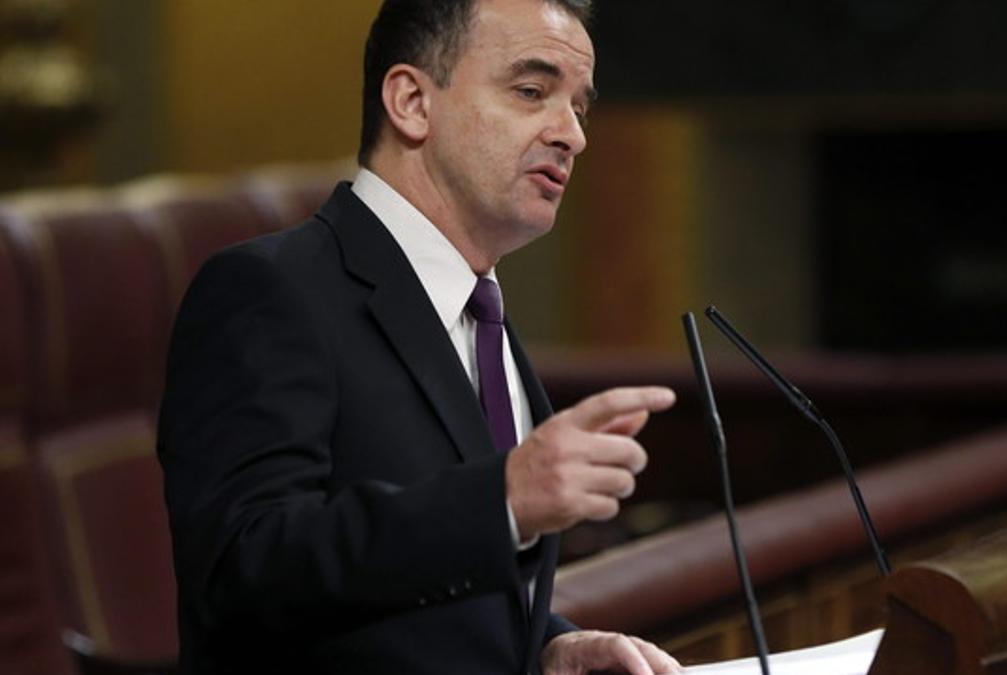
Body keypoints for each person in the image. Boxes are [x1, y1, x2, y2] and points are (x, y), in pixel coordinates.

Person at [156, 0, 683, 673]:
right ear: (411, 101)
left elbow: (430, 588)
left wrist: (545, 642)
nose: (573, 134)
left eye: (579, 106)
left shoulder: (477, 311)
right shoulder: (270, 291)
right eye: (532, 91)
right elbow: (242, 571)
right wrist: (502, 499)